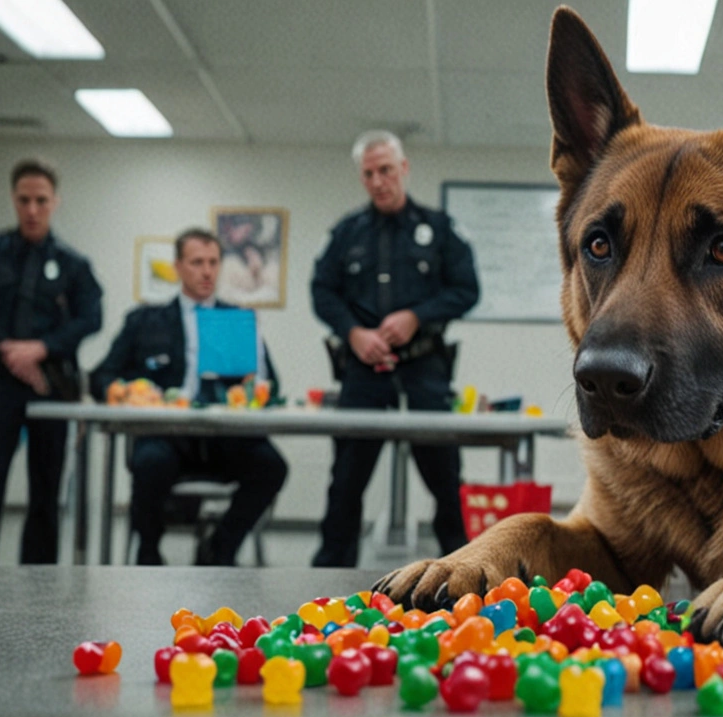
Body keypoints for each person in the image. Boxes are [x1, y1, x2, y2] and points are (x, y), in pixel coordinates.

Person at [311, 130, 480, 567]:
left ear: (403, 168)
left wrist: (416, 316)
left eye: (385, 170)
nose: (378, 181)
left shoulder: (438, 229)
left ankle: (462, 574)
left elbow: (467, 289)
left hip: (424, 368)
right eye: (368, 174)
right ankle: (330, 575)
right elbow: (322, 290)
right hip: (364, 372)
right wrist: (353, 333)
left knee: (446, 480)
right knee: (345, 482)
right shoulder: (348, 233)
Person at [89, 228, 287, 565]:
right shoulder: (144, 321)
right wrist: (123, 392)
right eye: (197, 262)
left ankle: (220, 548)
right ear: (178, 266)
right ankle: (148, 552)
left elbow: (273, 386)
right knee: (149, 463)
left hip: (226, 438)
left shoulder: (238, 320)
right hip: (167, 437)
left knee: (271, 467)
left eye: (213, 262)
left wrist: (256, 386)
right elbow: (101, 376)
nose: (207, 271)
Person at [0, 158, 103, 563]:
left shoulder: (74, 265)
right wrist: (7, 348)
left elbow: (91, 317)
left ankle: (39, 582)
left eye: (41, 200)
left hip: (51, 388)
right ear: (13, 200)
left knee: (46, 490)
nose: (32, 209)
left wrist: (41, 348)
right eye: (24, 200)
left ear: (55, 201)